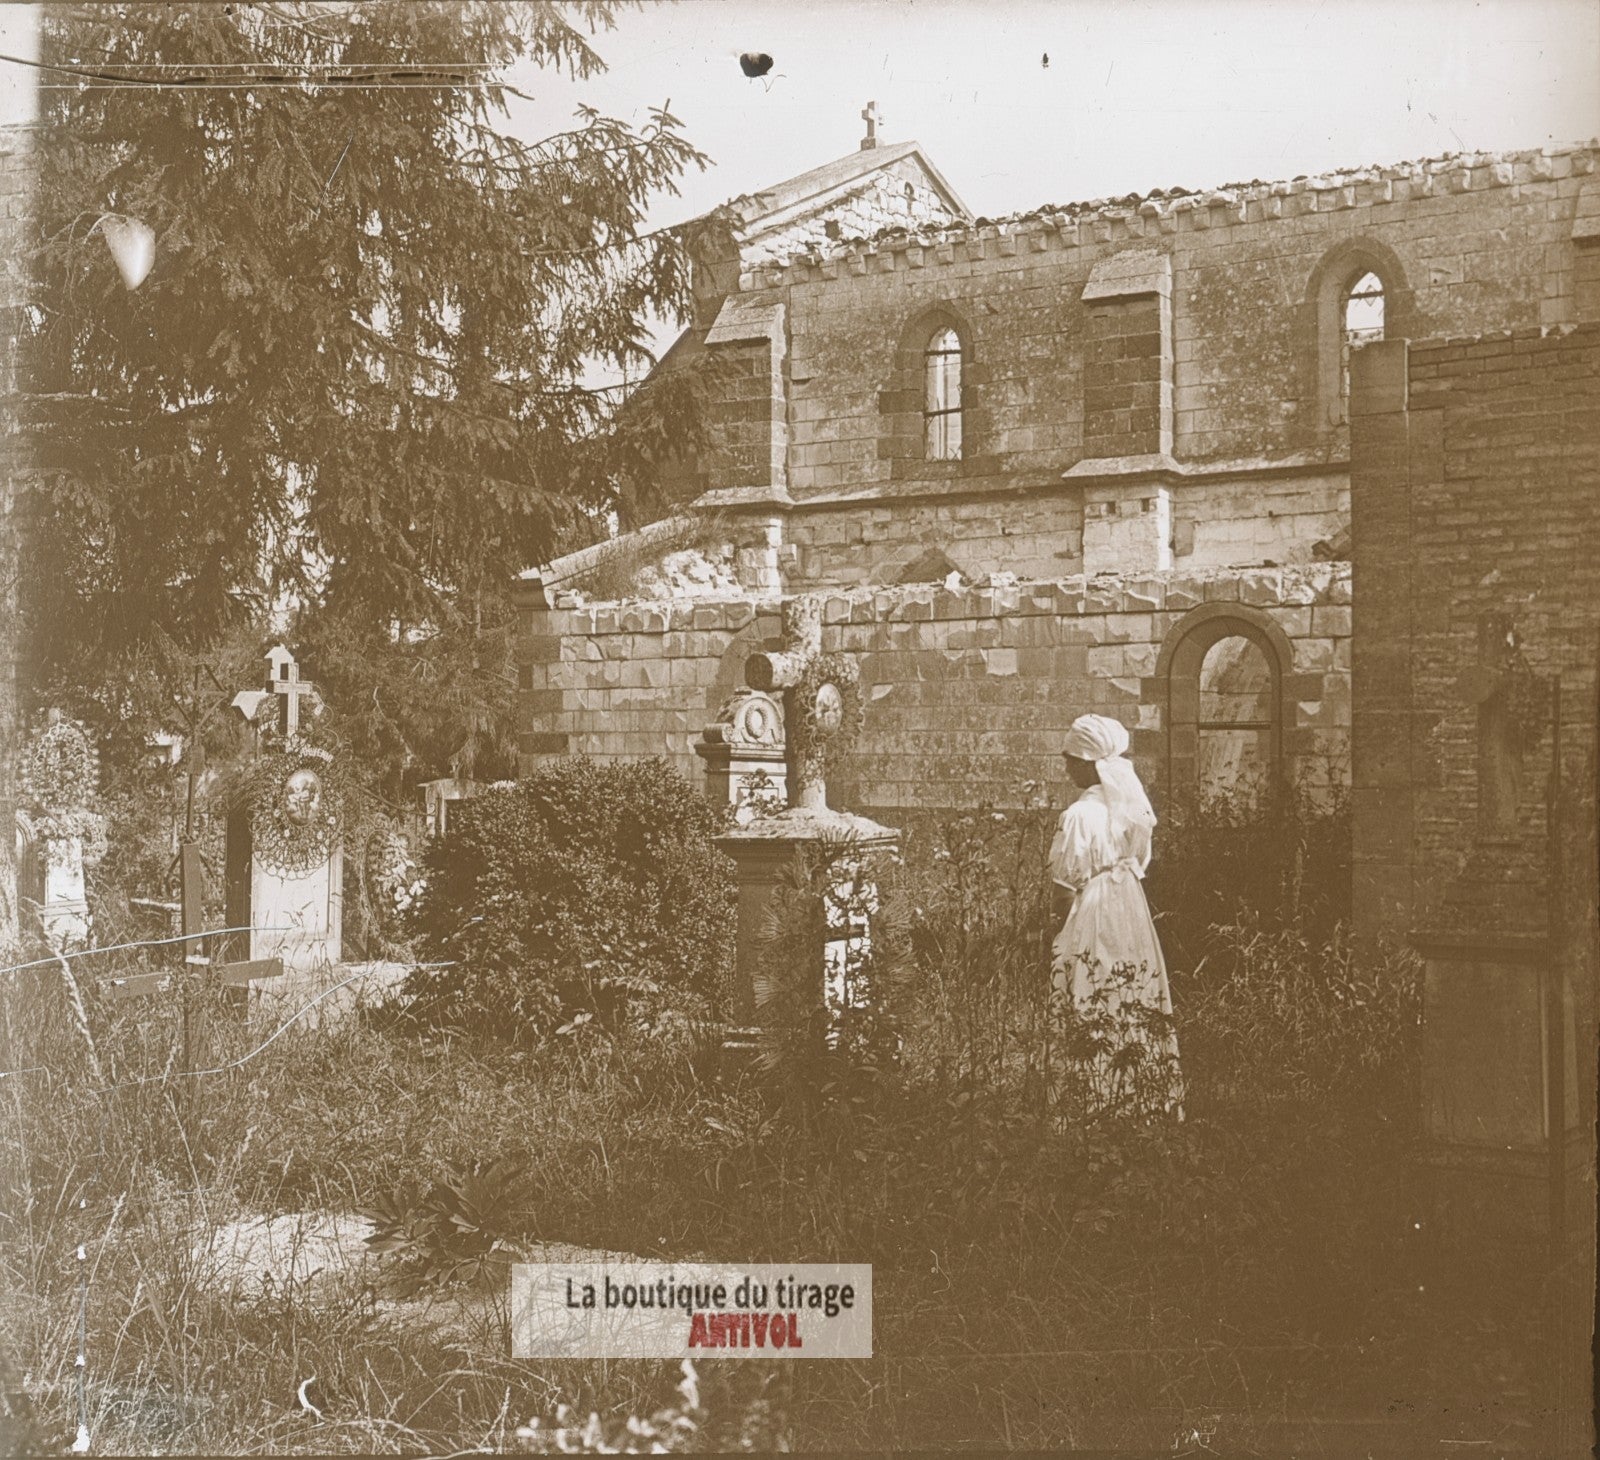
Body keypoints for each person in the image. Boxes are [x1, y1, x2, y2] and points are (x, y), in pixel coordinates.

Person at [1048, 714, 1183, 1116]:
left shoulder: (1080, 815)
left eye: (1071, 759)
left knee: (1091, 987)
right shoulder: (1128, 809)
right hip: (1129, 908)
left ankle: (1092, 1099)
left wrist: (1059, 936)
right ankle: (1139, 1095)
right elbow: (1139, 859)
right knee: (1131, 987)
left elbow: (1064, 887)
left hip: (1094, 907)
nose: (1067, 767)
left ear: (1089, 764)